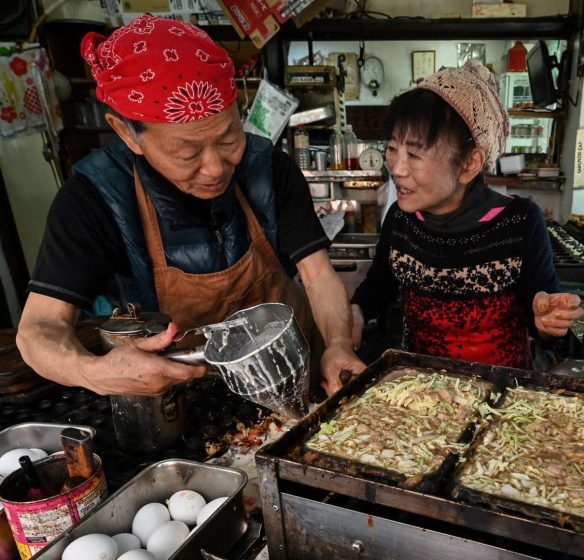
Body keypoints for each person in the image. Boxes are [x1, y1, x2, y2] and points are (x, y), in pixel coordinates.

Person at [16, 15, 364, 397]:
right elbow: (38, 331)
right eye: (188, 152)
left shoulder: (268, 168)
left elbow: (317, 276)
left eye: (229, 138)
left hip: (292, 377)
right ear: (126, 134)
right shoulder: (95, 197)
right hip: (183, 403)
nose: (215, 168)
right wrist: (94, 372)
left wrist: (337, 344)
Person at [349, 61, 584, 369]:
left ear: (470, 164)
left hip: (502, 394)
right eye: (393, 148)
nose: (396, 167)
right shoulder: (401, 219)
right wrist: (357, 311)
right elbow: (380, 285)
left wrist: (547, 319)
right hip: (422, 393)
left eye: (415, 155)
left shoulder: (519, 222)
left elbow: (539, 307)